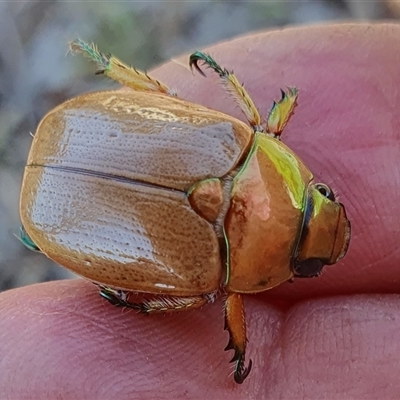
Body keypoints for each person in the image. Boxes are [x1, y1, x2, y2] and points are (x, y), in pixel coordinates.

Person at [1, 23, 399, 398]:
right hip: (66, 191)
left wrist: (231, 79)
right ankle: (105, 66)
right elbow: (206, 299)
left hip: (76, 143)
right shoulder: (217, 277)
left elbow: (267, 122)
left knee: (162, 94)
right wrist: (142, 303)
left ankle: (107, 65)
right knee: (198, 291)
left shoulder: (243, 140)